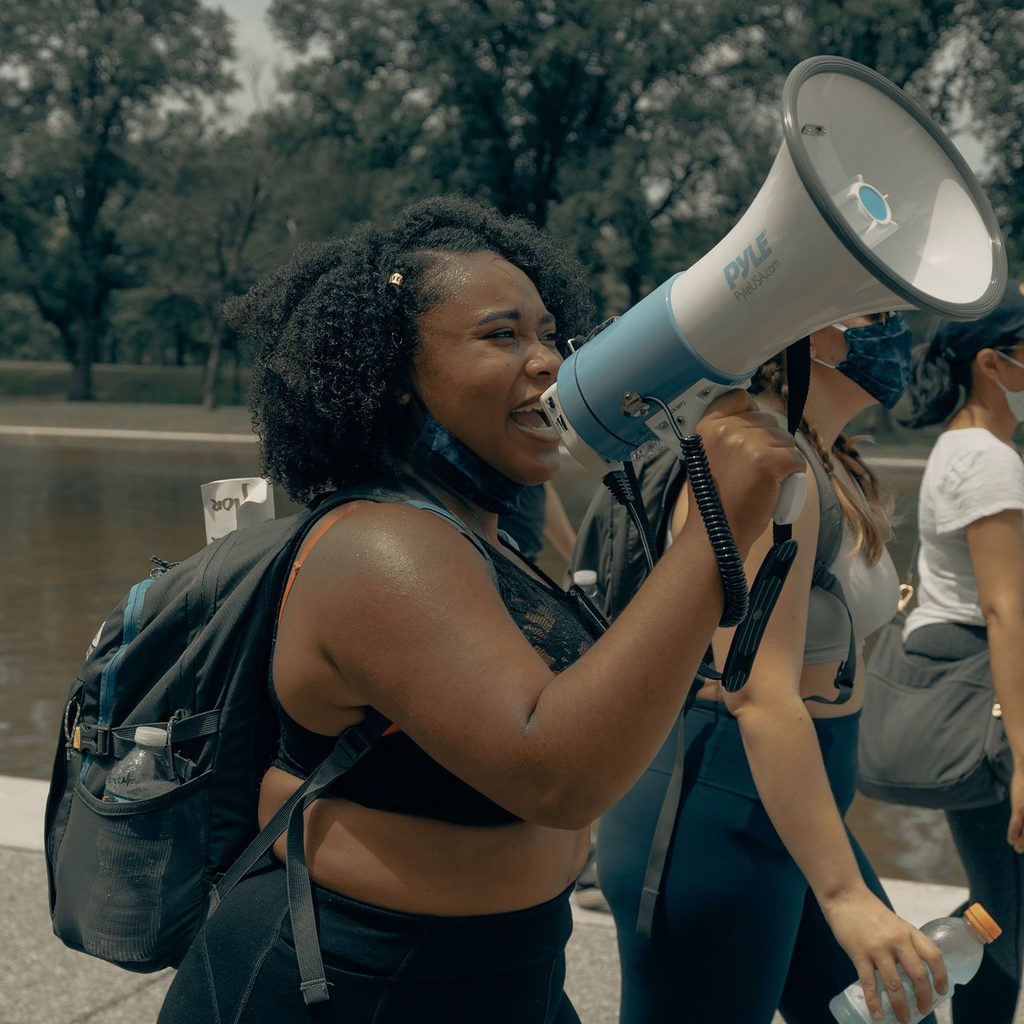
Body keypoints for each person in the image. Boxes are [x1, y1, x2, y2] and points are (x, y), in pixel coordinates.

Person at [155, 194, 809, 1024]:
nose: (548, 363)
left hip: (507, 971)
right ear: (392, 375)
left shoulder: (482, 534)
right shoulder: (379, 547)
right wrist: (717, 525)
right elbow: (555, 773)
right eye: (502, 336)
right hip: (354, 981)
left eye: (549, 335)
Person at [575, 313, 948, 1023]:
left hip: (794, 807)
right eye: (875, 317)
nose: (897, 332)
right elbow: (757, 691)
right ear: (813, 331)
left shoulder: (828, 456)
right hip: (716, 811)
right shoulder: (762, 460)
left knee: (901, 1014)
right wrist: (845, 896)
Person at [899, 281, 1024, 1024]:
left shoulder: (963, 447)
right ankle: (893, 969)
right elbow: (1004, 609)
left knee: (1000, 902)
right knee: (1004, 912)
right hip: (991, 695)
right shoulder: (988, 461)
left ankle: (904, 962)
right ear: (992, 363)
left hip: (976, 686)